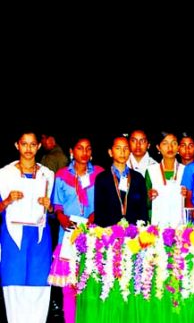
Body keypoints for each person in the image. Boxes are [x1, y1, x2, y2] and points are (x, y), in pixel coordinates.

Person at [0, 132, 55, 323]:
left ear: (39, 146)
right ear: (17, 145)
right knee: (14, 285)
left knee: (39, 287)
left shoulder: (48, 174)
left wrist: (49, 206)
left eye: (33, 144)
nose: (28, 149)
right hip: (14, 237)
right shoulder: (4, 174)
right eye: (24, 144)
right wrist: (7, 200)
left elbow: (53, 210)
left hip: (39, 237)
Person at [49, 137, 103, 323]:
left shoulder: (99, 174)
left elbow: (104, 202)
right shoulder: (62, 175)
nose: (85, 153)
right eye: (80, 148)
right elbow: (57, 205)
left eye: (88, 149)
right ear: (72, 151)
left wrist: (92, 219)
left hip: (93, 233)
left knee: (90, 283)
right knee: (69, 286)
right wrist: (62, 219)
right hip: (68, 234)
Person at [93, 136, 149, 227]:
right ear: (110, 152)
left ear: (130, 152)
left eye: (126, 148)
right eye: (118, 148)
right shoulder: (101, 178)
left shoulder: (138, 178)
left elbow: (143, 210)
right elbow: (99, 211)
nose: (122, 152)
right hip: (109, 233)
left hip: (133, 233)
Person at [144, 132, 187, 226]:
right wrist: (149, 197)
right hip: (157, 225)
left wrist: (187, 195)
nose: (170, 147)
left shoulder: (185, 170)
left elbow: (193, 202)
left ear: (178, 147)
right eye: (165, 143)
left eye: (174, 143)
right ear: (158, 147)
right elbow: (145, 203)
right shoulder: (151, 171)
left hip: (180, 227)